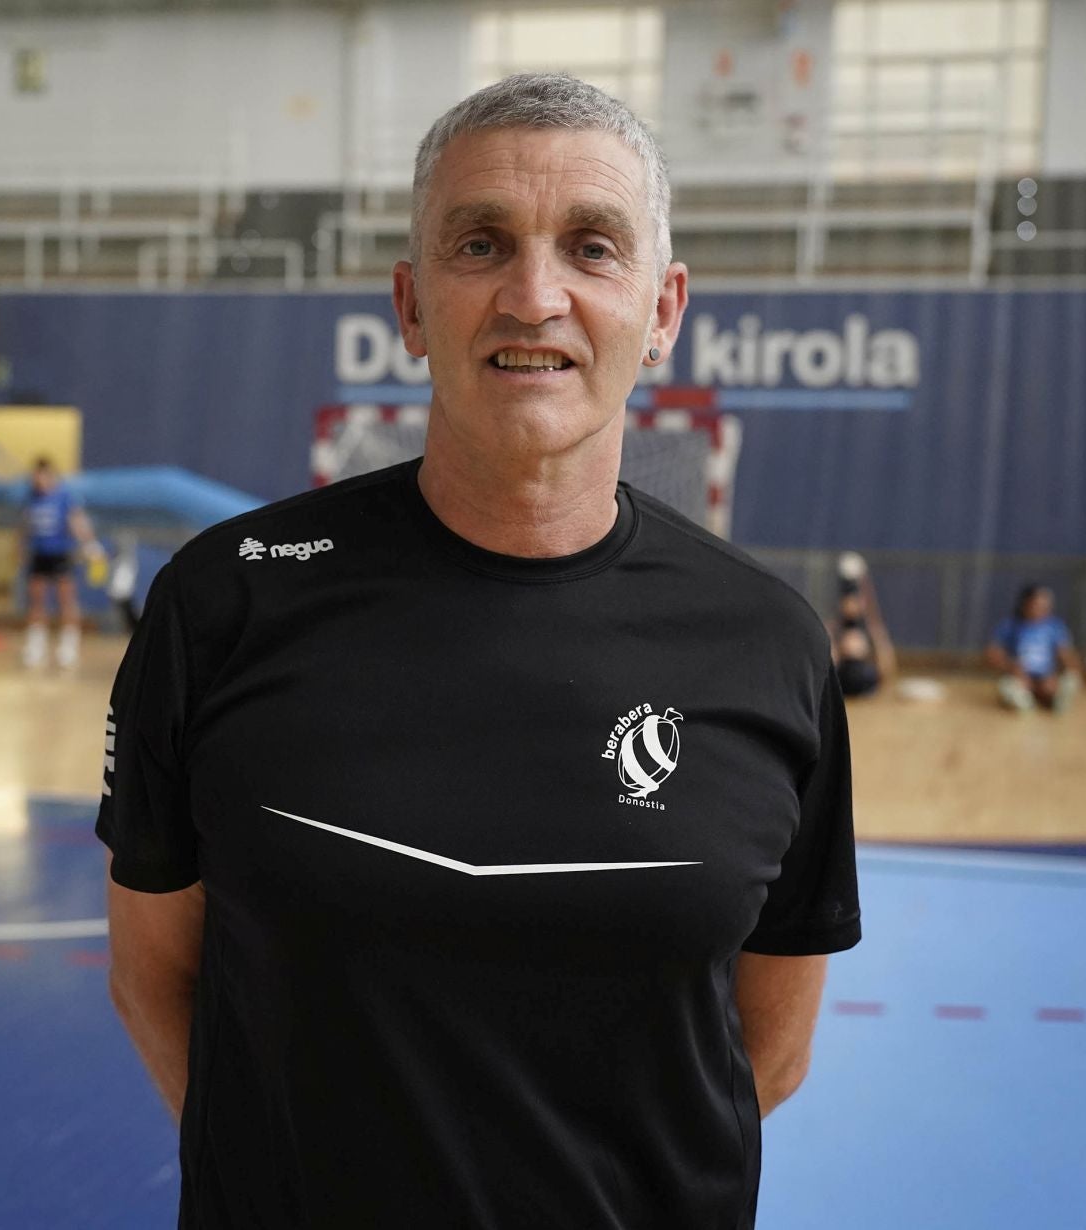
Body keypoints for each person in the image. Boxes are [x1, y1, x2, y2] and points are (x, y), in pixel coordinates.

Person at [97, 74, 860, 1230]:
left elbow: (775, 1047)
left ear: (663, 311)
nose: (534, 297)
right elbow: (153, 973)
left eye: (592, 248)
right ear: (411, 305)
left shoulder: (771, 646)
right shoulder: (224, 600)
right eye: (481, 244)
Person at [20, 458, 101, 669]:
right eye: (35, 476)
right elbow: (25, 525)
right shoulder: (31, 498)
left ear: (51, 476)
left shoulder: (64, 497)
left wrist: (90, 544)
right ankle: (36, 645)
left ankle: (68, 647)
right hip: (39, 555)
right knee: (36, 600)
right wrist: (20, 547)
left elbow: (77, 522)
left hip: (61, 555)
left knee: (66, 600)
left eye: (42, 476)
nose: (39, 480)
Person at [987, 583, 1082, 713]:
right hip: (1020, 676)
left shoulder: (1055, 627)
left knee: (1063, 683)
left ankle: (1055, 698)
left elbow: (1066, 655)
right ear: (1025, 604)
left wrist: (1062, 673)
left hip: (1046, 676)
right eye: (1038, 605)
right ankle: (1023, 701)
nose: (1043, 610)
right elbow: (992, 654)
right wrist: (1011, 667)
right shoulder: (1010, 625)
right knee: (1009, 687)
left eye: (1046, 606)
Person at [830, 552, 896, 698]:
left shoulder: (861, 627)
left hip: (859, 678)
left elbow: (886, 667)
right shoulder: (843, 629)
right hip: (847, 677)